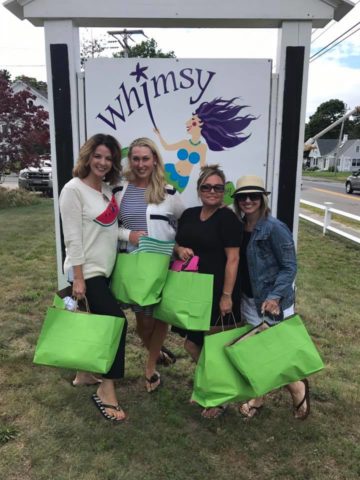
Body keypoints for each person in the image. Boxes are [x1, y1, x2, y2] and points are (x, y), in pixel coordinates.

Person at [59, 133, 127, 422]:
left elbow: (109, 230)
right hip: (86, 271)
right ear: (87, 157)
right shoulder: (73, 190)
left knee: (94, 322)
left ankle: (84, 374)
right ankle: (106, 391)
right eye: (97, 156)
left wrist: (132, 235)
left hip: (103, 270)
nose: (102, 162)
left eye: (108, 158)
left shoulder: (107, 192)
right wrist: (78, 278)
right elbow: (72, 238)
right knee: (116, 324)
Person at [232, 175, 310, 420]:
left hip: (271, 303)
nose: (248, 201)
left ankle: (298, 388)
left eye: (254, 196)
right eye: (243, 196)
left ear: (262, 199)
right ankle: (261, 395)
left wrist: (275, 296)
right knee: (257, 352)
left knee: (275, 351)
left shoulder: (274, 228)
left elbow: (290, 266)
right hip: (248, 300)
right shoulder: (239, 226)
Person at [116, 137, 185, 393]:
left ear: (155, 159)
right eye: (136, 158)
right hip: (132, 266)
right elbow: (108, 227)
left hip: (161, 265)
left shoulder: (169, 193)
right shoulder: (118, 190)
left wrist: (178, 247)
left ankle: (150, 367)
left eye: (146, 158)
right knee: (143, 322)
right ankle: (157, 351)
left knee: (159, 315)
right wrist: (128, 235)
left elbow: (182, 225)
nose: (141, 163)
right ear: (130, 160)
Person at [174, 164, 242, 418]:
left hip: (217, 291)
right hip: (192, 291)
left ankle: (219, 398)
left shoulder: (228, 219)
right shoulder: (189, 214)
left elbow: (233, 259)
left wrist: (227, 296)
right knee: (192, 345)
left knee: (212, 346)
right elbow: (178, 241)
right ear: (199, 189)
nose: (212, 191)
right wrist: (178, 250)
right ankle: (211, 386)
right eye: (207, 186)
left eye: (218, 187)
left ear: (223, 191)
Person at [154, 97, 257, 192]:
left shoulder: (202, 148)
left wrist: (219, 181)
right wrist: (159, 135)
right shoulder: (184, 143)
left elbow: (202, 168)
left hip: (182, 180)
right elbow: (167, 147)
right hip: (169, 171)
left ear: (201, 125)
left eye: (193, 121)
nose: (187, 123)